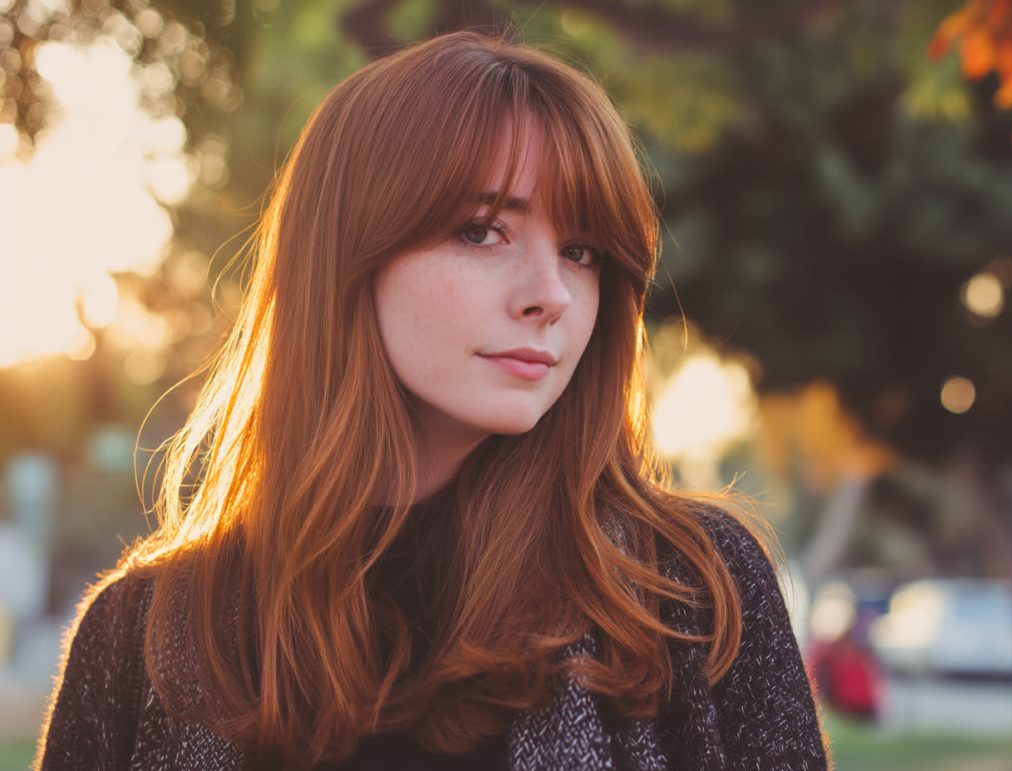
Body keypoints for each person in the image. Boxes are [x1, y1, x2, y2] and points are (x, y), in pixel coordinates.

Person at [36, 29, 830, 770]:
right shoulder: (141, 634)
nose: (551, 294)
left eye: (582, 251)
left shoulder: (689, 591)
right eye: (483, 231)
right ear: (350, 255)